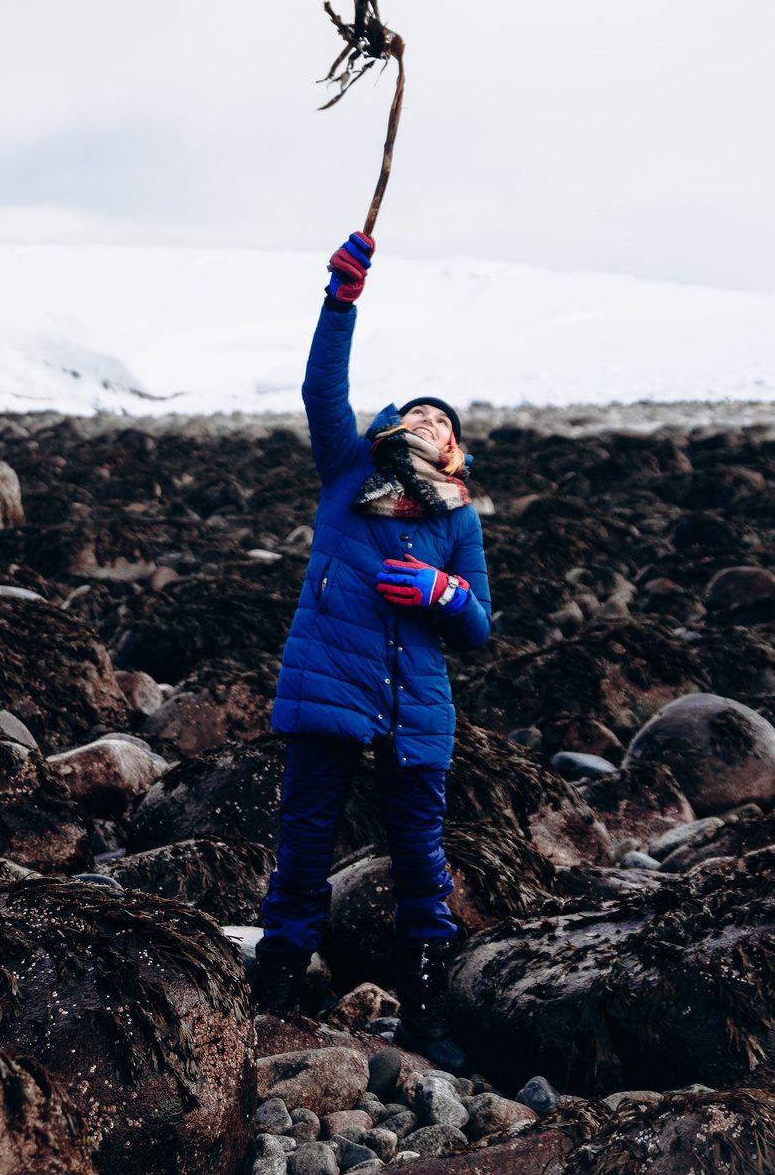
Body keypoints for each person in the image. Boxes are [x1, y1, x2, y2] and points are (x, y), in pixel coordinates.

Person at [254, 231, 493, 1064]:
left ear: (454, 445)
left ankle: (424, 1014)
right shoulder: (350, 467)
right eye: (418, 411)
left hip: (417, 706)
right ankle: (276, 990)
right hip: (329, 684)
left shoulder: (457, 516)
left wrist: (443, 592)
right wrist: (340, 300)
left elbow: (478, 625)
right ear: (396, 424)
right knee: (304, 843)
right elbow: (323, 387)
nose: (429, 419)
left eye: (442, 418)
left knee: (422, 862)